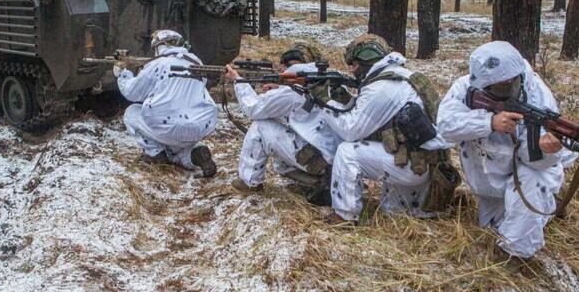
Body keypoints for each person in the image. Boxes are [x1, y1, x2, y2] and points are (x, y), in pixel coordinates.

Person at [437, 41, 576, 259]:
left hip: (527, 175)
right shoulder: (465, 88)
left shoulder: (538, 96)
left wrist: (547, 149)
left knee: (529, 190)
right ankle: (543, 208)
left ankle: (516, 256)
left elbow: (535, 163)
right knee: (491, 226)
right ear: (485, 86)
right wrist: (489, 122)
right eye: (501, 87)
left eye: (511, 84)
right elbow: (445, 126)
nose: (508, 89)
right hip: (489, 184)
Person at [322, 34, 453, 225]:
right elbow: (374, 112)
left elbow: (351, 130)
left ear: (367, 59)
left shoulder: (381, 87)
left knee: (347, 151)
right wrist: (346, 99)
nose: (352, 69)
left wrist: (324, 102)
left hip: (413, 166)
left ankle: (345, 215)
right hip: (426, 164)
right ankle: (419, 206)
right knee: (393, 214)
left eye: (355, 64)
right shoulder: (400, 76)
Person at [226, 42, 341, 204]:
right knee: (280, 159)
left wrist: (238, 81)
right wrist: (279, 89)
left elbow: (253, 108)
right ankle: (319, 182)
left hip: (316, 159)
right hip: (335, 158)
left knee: (261, 126)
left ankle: (249, 182)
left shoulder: (292, 91)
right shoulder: (329, 81)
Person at [117, 29, 218, 177]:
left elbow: (133, 93)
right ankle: (194, 156)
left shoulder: (159, 63)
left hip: (166, 125)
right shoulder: (197, 62)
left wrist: (122, 75)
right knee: (180, 147)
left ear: (160, 46)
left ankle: (157, 155)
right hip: (198, 125)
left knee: (131, 113)